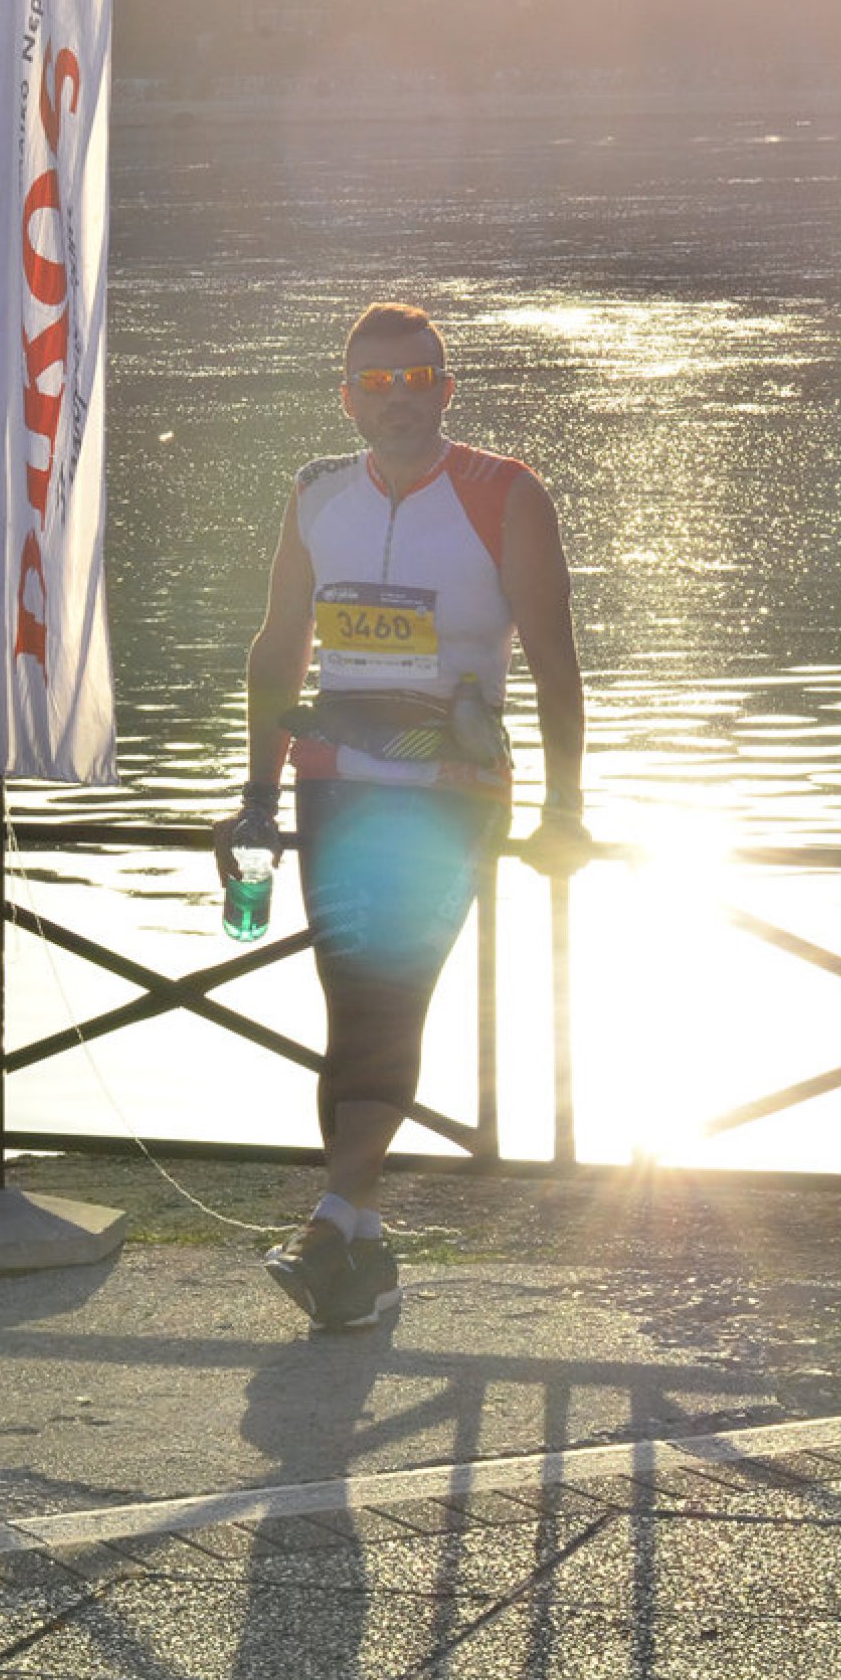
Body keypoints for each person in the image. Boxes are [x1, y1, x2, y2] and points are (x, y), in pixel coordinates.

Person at [214, 300, 590, 1333]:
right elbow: (276, 649)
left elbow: (555, 665)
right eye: (375, 383)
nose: (398, 399)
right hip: (332, 781)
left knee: (392, 996)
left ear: (445, 388)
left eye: (417, 378)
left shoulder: (505, 493)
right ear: (347, 398)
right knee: (352, 1005)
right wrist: (255, 798)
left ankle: (328, 1222)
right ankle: (360, 1261)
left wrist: (564, 808)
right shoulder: (314, 494)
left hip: (449, 791)